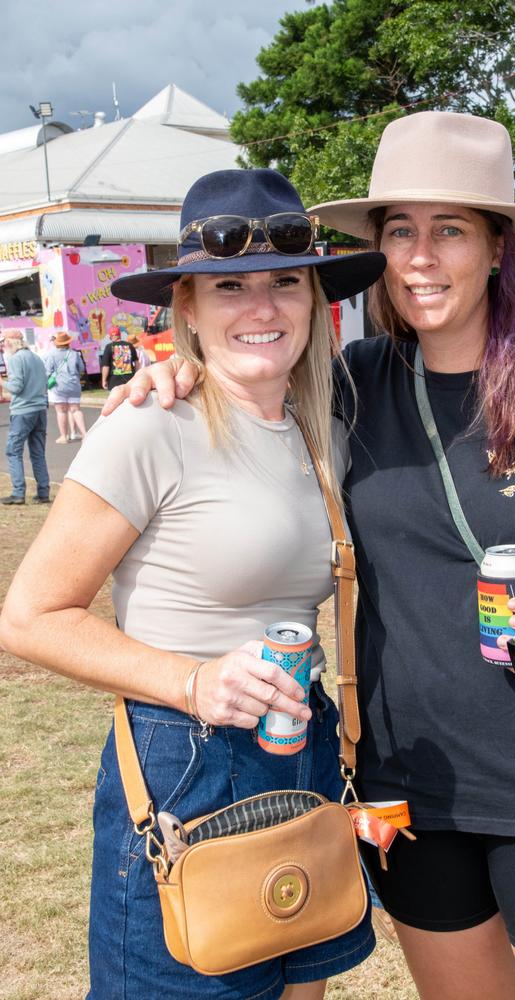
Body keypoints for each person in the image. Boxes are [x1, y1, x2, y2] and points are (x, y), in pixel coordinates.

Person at [110, 113, 515, 1000]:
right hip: (409, 789)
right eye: (401, 230)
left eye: (450, 230)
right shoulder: (350, 384)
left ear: (496, 247)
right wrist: (172, 369)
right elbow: (247, 366)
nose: (421, 258)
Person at [0, 168, 385, 1000]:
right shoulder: (148, 427)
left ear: (316, 300)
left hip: (300, 745)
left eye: (286, 281)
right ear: (190, 312)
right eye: (229, 287)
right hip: (188, 760)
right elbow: (29, 617)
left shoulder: (324, 428)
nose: (262, 307)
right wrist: (194, 680)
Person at [1, 329, 50, 505]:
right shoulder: (35, 358)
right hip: (39, 409)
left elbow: (16, 387)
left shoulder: (15, 359)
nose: (3, 345)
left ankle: (18, 493)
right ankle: (43, 492)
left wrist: (1, 381)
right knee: (37, 453)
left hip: (23, 411)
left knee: (13, 451)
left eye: (4, 341)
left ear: (11, 342)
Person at [44, 331, 87, 443]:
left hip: (58, 386)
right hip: (74, 385)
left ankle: (64, 436)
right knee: (76, 409)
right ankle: (84, 434)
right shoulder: (74, 354)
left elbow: (47, 371)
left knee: (61, 411)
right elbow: (81, 368)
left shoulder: (51, 355)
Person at [101, 325, 139, 389]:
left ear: (110, 337)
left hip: (114, 382)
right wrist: (137, 376)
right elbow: (137, 362)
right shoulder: (130, 345)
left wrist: (104, 380)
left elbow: (106, 366)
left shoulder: (109, 347)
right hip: (130, 380)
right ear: (120, 335)